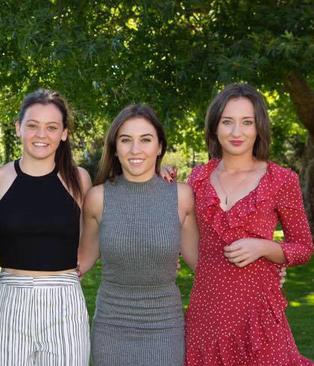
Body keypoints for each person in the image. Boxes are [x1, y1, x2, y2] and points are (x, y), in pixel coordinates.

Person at [182, 84, 313, 365]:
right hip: (207, 317)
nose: (237, 132)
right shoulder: (196, 180)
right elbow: (189, 245)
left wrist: (265, 248)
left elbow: (304, 247)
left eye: (247, 122)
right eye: (227, 122)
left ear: (258, 127)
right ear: (215, 127)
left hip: (260, 320)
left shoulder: (281, 180)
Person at [78, 104, 199, 365]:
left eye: (146, 140)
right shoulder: (98, 198)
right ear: (114, 147)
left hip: (165, 328)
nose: (135, 150)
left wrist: (261, 273)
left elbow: (202, 263)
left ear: (159, 147)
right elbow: (81, 262)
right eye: (125, 140)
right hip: (111, 327)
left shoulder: (181, 196)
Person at [0, 89, 92, 365]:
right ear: (19, 127)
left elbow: (95, 234)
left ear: (64, 133)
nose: (41, 134)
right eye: (32, 125)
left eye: (52, 127)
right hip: (10, 300)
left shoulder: (78, 180)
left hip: (64, 301)